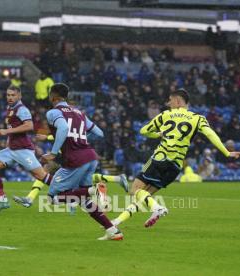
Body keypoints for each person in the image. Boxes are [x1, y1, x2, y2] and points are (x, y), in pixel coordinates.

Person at [112, 89, 240, 228]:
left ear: (178, 101)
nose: (168, 103)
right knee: (145, 196)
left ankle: (157, 209)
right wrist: (226, 152)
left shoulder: (166, 115)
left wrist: (158, 134)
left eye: (170, 100)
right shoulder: (198, 118)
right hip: (175, 167)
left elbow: (144, 131)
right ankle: (117, 222)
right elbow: (211, 134)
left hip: (160, 158)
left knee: (135, 191)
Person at [39, 83, 123, 240]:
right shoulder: (79, 113)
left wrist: (53, 153)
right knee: (84, 200)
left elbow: (63, 128)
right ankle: (113, 231)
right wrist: (81, 142)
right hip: (90, 156)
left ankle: (94, 190)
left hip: (74, 159)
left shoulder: (53, 112)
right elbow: (99, 133)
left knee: (52, 196)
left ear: (53, 96)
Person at [0, 85, 54, 214]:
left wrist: (7, 131)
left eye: (13, 95)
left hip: (23, 150)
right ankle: (3, 201)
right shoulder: (10, 108)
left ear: (19, 96)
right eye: (8, 95)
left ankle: (70, 191)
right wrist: (9, 138)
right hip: (11, 150)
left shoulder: (22, 109)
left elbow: (29, 126)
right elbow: (15, 127)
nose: (10, 97)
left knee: (41, 176)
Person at [13, 132, 128, 208]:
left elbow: (63, 135)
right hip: (79, 156)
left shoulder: (67, 123)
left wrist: (46, 138)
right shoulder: (75, 122)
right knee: (48, 171)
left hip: (72, 157)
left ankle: (30, 198)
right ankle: (117, 179)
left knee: (46, 172)